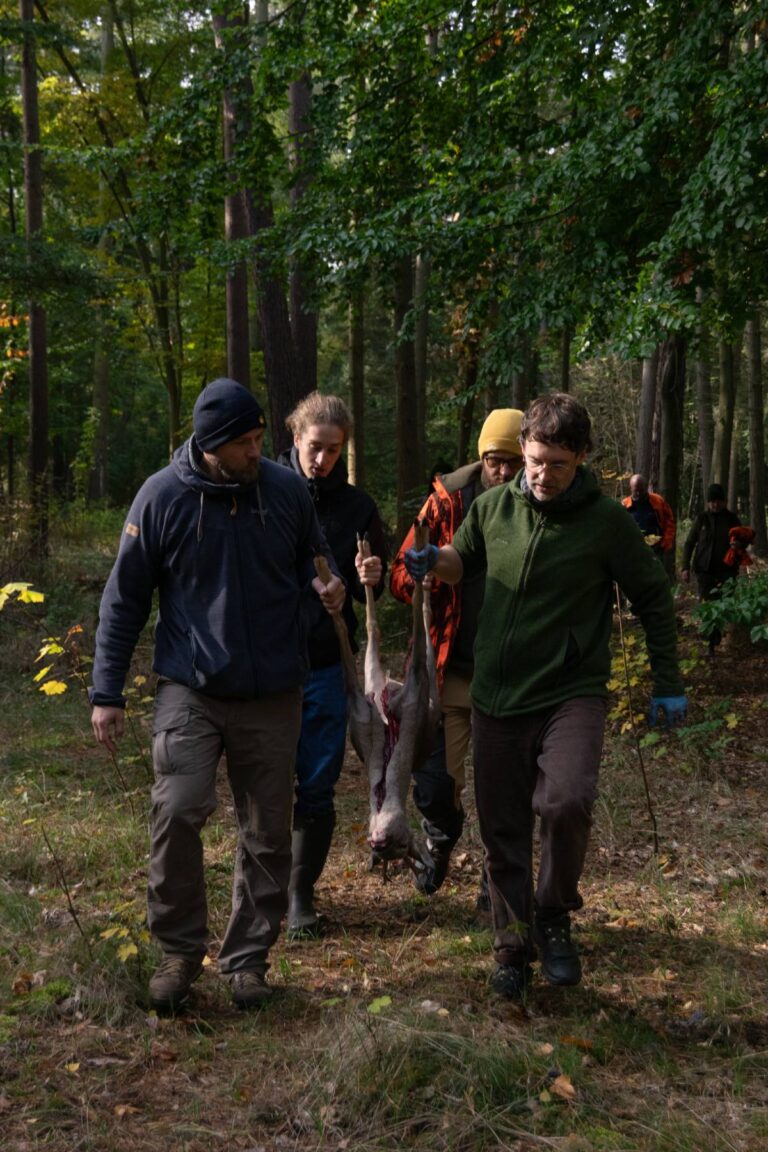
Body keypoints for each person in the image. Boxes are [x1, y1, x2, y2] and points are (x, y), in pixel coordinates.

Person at [404, 393, 686, 1001]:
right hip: (495, 694)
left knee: (565, 801)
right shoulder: (493, 507)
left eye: (556, 463)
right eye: (533, 460)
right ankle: (511, 944)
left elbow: (654, 598)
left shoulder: (605, 521)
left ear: (581, 458)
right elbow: (462, 562)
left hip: (569, 692)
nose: (540, 474)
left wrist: (667, 682)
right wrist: (433, 560)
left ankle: (553, 911)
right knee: (502, 827)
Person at [89, 378, 345, 1012]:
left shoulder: (285, 493)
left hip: (274, 691)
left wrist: (331, 587)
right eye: (246, 443)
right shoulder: (161, 498)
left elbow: (318, 565)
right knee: (178, 808)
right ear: (210, 446)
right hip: (191, 687)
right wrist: (107, 691)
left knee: (267, 830)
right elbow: (123, 602)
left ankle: (247, 961)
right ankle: (179, 953)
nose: (258, 451)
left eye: (261, 439)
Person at [391, 409, 524, 903]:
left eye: (513, 462)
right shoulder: (446, 502)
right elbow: (399, 573)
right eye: (495, 462)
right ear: (481, 459)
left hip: (507, 675)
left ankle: (498, 875)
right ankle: (441, 838)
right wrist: (419, 577)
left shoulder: (538, 507)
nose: (504, 473)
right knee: (432, 785)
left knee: (502, 786)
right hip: (444, 670)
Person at [278, 392, 386, 938]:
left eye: (333, 450)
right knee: (270, 783)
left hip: (325, 664)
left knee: (316, 784)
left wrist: (367, 578)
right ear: (295, 438)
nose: (321, 459)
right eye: (314, 447)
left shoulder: (356, 507)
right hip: (269, 667)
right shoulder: (264, 493)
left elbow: (378, 583)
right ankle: (264, 888)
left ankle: (301, 894)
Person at [681, 483, 741, 654]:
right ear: (708, 502)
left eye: (718, 501)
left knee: (723, 607)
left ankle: (720, 637)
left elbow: (744, 538)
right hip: (704, 571)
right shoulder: (702, 519)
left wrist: (738, 544)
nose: (715, 505)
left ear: (724, 502)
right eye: (712, 501)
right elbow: (689, 543)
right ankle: (711, 645)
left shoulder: (732, 519)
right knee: (708, 607)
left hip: (726, 571)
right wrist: (685, 567)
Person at [621, 474, 676, 577]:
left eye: (641, 490)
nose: (638, 493)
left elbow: (670, 522)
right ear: (630, 488)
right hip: (634, 552)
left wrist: (666, 543)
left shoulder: (658, 501)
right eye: (635, 490)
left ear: (646, 487)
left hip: (656, 551)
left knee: (656, 579)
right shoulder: (624, 505)